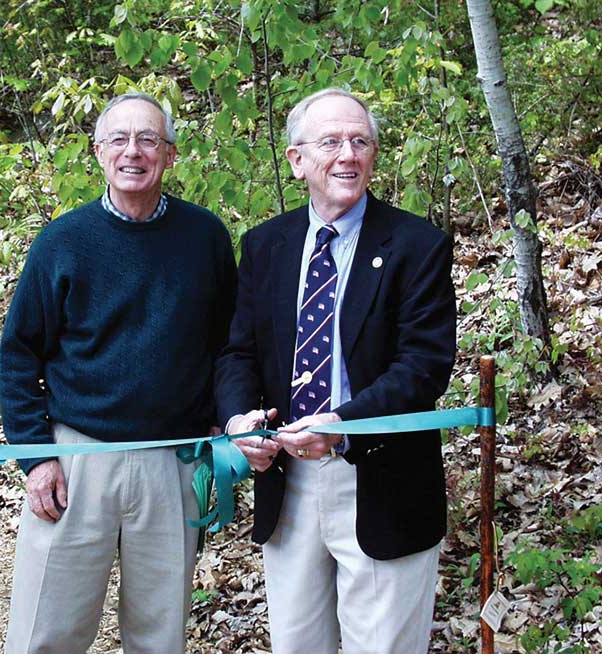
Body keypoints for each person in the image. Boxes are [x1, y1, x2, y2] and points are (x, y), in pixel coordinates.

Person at [215, 88, 456, 654]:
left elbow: (424, 366)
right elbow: (237, 353)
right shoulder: (264, 245)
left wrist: (343, 421)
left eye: (360, 141)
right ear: (298, 160)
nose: (347, 154)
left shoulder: (417, 245)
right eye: (331, 142)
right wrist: (238, 422)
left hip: (379, 481)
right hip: (287, 485)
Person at [0, 93, 237, 654]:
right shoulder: (63, 242)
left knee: (160, 634)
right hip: (77, 460)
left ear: (171, 155)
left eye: (149, 139)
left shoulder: (205, 239)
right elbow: (18, 356)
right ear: (99, 152)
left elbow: (230, 346)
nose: (134, 151)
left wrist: (225, 430)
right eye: (120, 139)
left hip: (172, 462)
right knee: (45, 630)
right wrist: (36, 458)